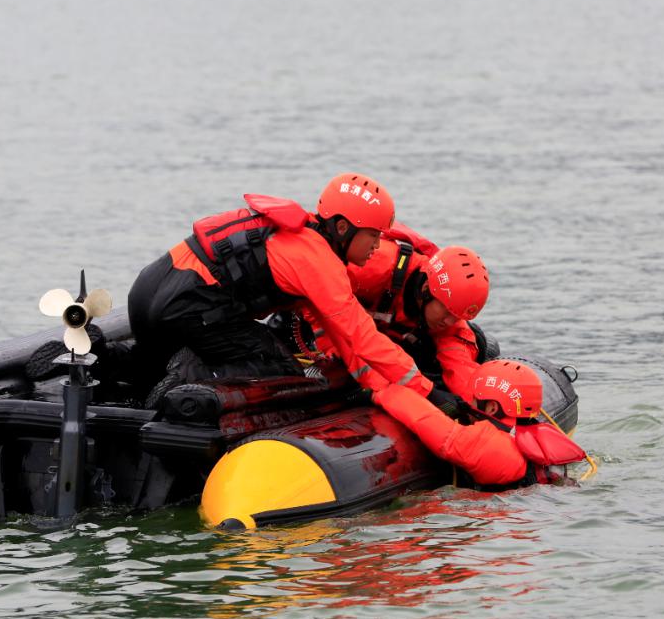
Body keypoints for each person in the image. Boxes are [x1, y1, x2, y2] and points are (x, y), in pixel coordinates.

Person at [127, 173, 449, 407]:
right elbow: (362, 336)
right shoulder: (318, 259)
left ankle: (121, 360)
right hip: (187, 307)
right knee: (281, 370)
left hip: (147, 291)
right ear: (342, 227)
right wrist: (429, 392)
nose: (378, 245)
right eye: (373, 236)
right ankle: (189, 373)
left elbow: (322, 315)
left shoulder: (303, 233)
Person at [299, 231, 492, 409]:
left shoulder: (449, 318)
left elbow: (460, 368)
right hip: (313, 320)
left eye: (458, 316)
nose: (450, 322)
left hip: (376, 336)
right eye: (448, 312)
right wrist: (333, 351)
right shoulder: (372, 264)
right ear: (426, 290)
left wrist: (478, 408)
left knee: (485, 346)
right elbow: (315, 289)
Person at [373, 359, 587, 487]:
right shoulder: (539, 431)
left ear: (492, 408)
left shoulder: (485, 443)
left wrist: (378, 391)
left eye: (474, 399)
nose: (469, 402)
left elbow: (424, 419)